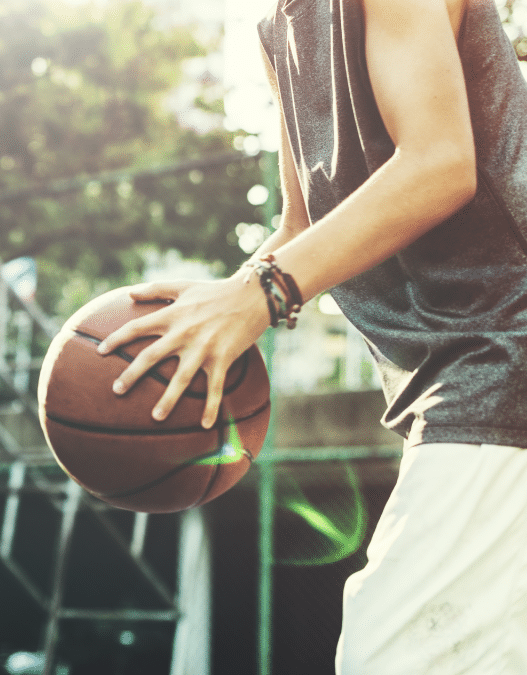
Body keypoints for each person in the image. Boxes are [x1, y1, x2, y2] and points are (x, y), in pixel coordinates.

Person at [98, 0, 527, 671]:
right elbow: (300, 230)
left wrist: (258, 293)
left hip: (502, 357)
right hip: (450, 385)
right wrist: (218, 302)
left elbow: (439, 161)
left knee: (394, 653)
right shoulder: (279, 30)